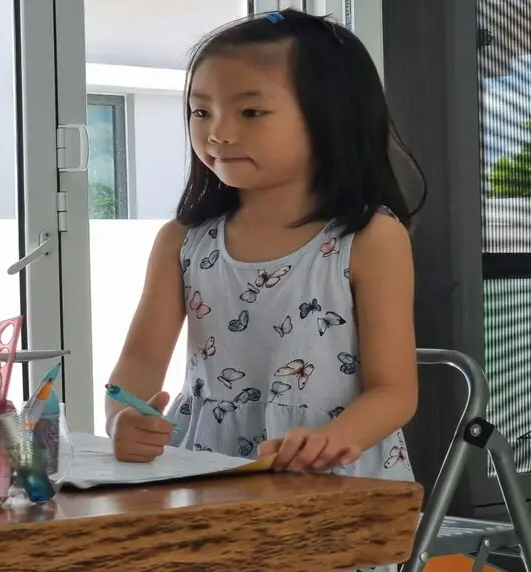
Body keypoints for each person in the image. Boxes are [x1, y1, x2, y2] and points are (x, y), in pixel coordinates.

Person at [106, 5, 425, 549]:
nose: (219, 133)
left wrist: (328, 442)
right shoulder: (182, 240)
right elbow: (138, 363)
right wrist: (121, 418)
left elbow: (394, 392)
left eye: (251, 112)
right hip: (204, 471)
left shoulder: (370, 239)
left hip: (333, 484)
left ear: (331, 117)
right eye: (200, 111)